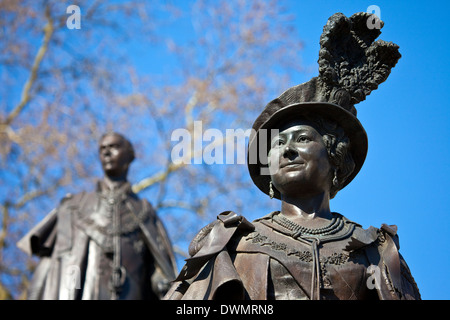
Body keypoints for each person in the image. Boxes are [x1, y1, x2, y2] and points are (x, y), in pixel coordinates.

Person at [164, 12, 420, 300]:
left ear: (335, 155)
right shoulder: (232, 243)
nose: (287, 150)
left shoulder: (373, 250)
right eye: (277, 144)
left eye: (302, 139)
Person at [17, 132, 177, 300]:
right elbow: (49, 264)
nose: (106, 152)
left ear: (130, 155)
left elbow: (159, 269)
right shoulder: (74, 206)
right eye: (102, 149)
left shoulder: (144, 211)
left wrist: (161, 281)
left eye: (114, 147)